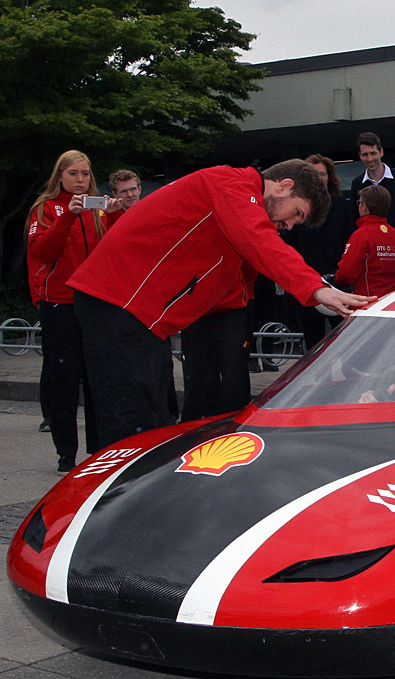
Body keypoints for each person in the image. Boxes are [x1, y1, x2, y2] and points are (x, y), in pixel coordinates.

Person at [69, 159, 372, 450]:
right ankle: (117, 498)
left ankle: (129, 493)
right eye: (296, 213)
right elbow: (261, 242)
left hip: (136, 313)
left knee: (148, 419)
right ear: (283, 185)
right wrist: (316, 289)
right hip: (120, 305)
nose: (289, 225)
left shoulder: (232, 194)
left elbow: (253, 255)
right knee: (132, 420)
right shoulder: (231, 185)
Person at [25, 150, 108, 473]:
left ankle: (98, 449)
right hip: (59, 303)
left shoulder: (96, 209)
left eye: (85, 174)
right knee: (64, 377)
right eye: (73, 174)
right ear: (60, 175)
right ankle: (65, 452)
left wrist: (113, 215)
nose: (80, 180)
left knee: (96, 377)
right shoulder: (46, 208)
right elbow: (42, 251)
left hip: (93, 303)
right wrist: (67, 217)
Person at [282, 154, 356, 350]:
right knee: (312, 337)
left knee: (342, 337)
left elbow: (351, 238)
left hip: (337, 279)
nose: (319, 178)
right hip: (307, 277)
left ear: (329, 176)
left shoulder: (342, 205)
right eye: (314, 174)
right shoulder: (295, 205)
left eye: (322, 174)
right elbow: (289, 241)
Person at [180, 263, 255, 421]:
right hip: (198, 311)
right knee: (198, 374)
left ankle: (236, 421)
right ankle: (199, 423)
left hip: (229, 308)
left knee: (234, 372)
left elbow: (249, 266)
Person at [335, 185, 395, 297]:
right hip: (393, 303)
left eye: (359, 203)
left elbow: (346, 274)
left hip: (366, 303)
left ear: (364, 206)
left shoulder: (361, 235)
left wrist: (336, 280)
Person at [349, 131, 395, 228]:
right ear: (360, 155)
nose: (370, 159)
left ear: (381, 152)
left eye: (373, 153)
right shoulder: (357, 183)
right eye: (365, 155)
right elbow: (354, 218)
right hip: (369, 240)